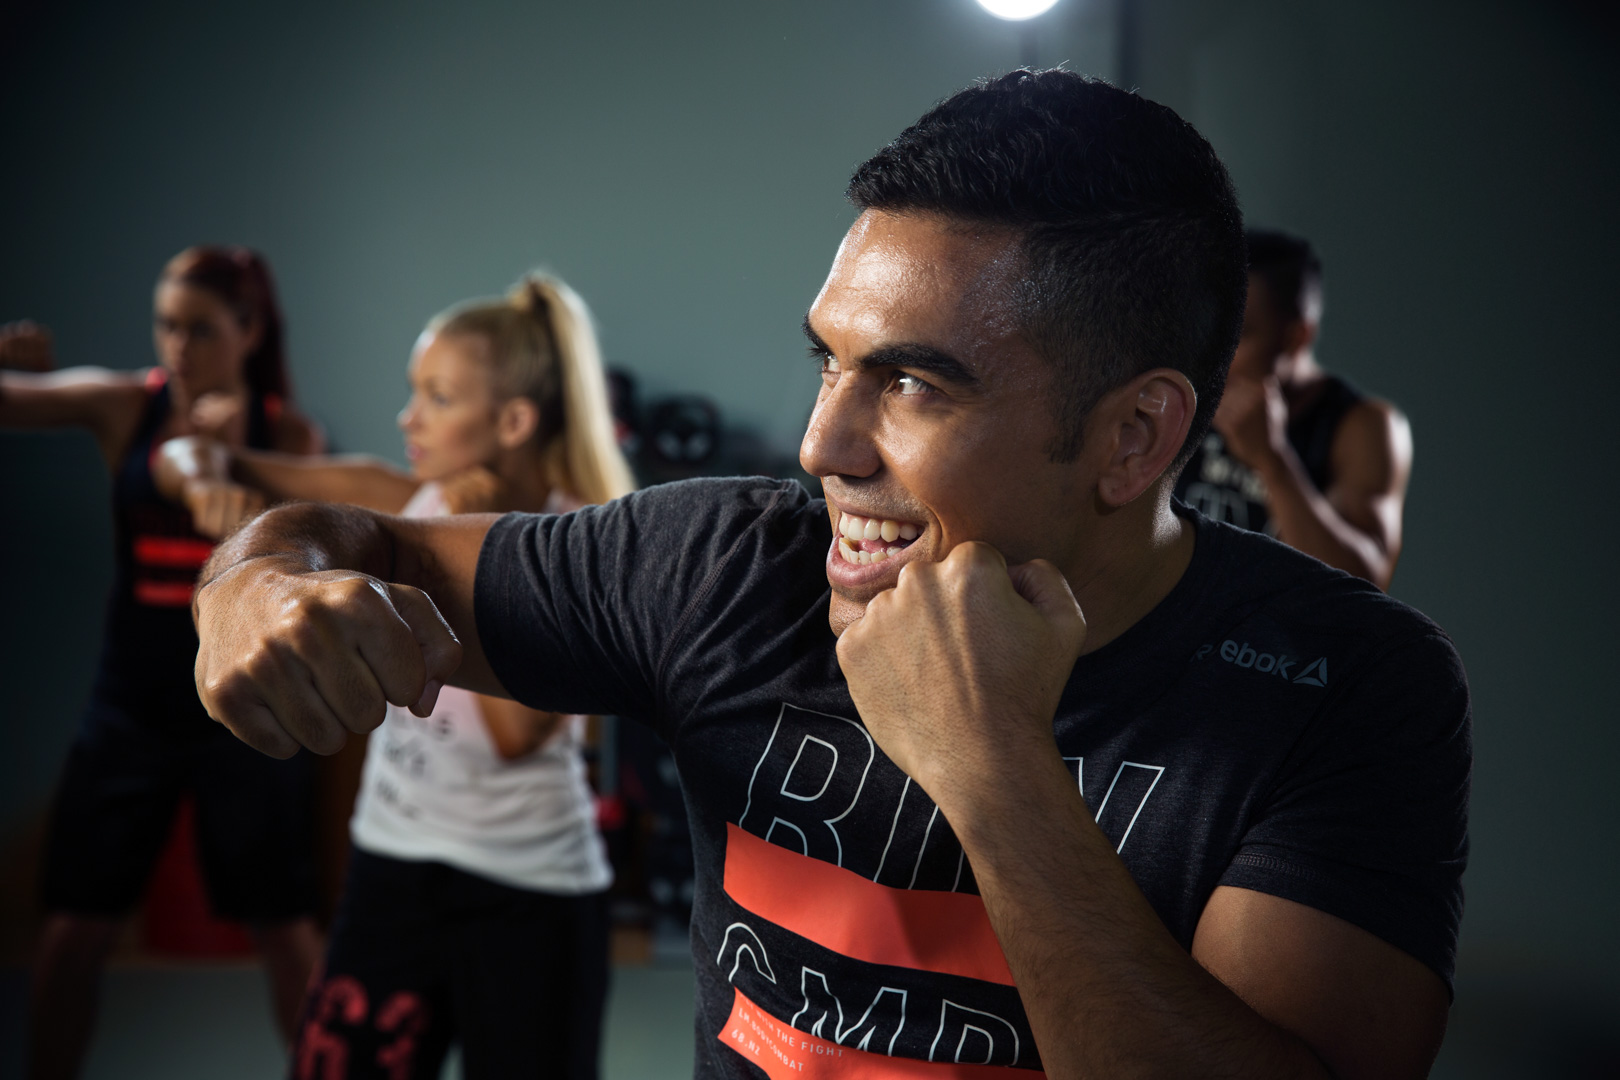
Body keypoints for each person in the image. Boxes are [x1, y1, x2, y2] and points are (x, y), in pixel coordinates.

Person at [186, 71, 1471, 1080]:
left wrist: (994, 771)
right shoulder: (725, 568)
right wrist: (248, 587)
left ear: (1133, 436)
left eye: (912, 383)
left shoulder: (1346, 686)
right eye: (828, 364)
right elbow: (346, 538)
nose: (823, 449)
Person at [157, 273, 634, 1079]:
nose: (409, 417)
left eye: (439, 398)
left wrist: (473, 558)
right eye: (415, 392)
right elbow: (186, 455)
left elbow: (519, 739)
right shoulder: (391, 502)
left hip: (531, 888)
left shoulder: (580, 543)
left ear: (513, 421)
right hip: (392, 865)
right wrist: (203, 480)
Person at [0, 247, 326, 1080]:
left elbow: (315, 555)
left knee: (285, 930)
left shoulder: (285, 433)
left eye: (202, 329)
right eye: (167, 326)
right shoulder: (126, 405)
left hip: (247, 712)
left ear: (248, 333)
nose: (179, 347)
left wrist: (238, 473)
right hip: (131, 708)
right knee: (73, 929)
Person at [1175, 228, 1413, 589]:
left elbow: (1363, 583)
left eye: (1237, 337)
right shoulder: (1188, 390)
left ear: (1295, 337)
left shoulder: (1360, 426)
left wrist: (1274, 461)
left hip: (1271, 643)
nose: (1214, 355)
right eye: (1211, 331)